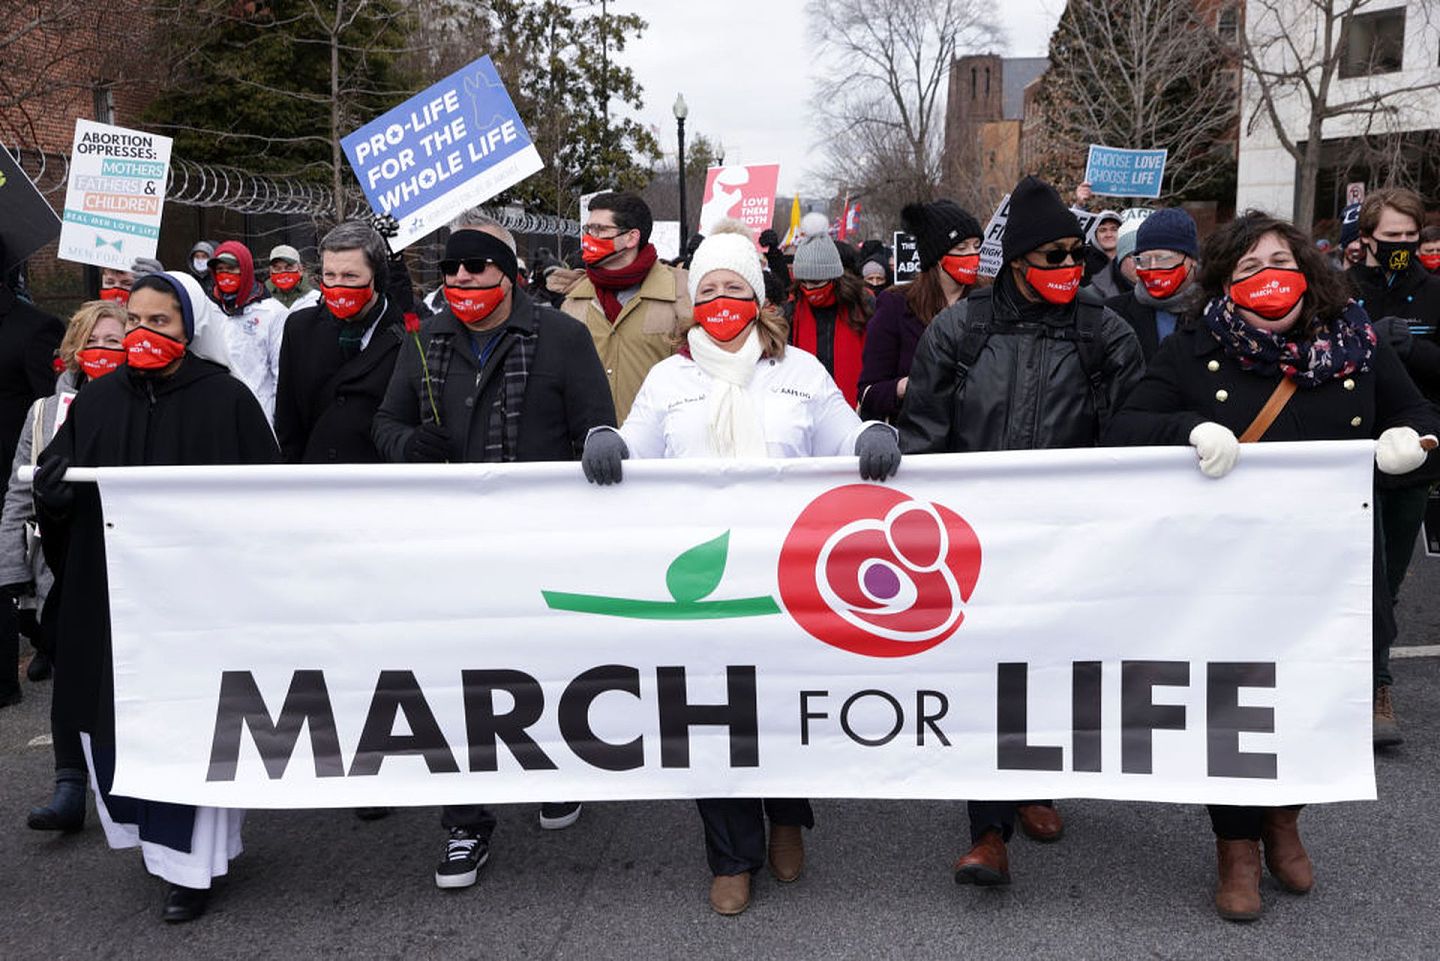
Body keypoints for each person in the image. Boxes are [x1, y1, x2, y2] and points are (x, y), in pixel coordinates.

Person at [1102, 210, 1440, 921]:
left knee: (1319, 697)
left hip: (1333, 565)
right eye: (1248, 267)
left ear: (1308, 269)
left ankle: (1285, 817)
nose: (1267, 277)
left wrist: (1409, 440)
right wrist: (1188, 430)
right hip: (1232, 568)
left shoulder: (1357, 342)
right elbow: (1125, 426)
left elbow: (1418, 412)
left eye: (1279, 260)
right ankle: (1236, 847)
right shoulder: (1195, 346)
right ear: (1224, 280)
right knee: (1234, 708)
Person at [579, 219, 901, 916]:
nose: (722, 299)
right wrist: (607, 440)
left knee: (780, 704)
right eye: (709, 289)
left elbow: (843, 432)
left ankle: (786, 815)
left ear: (758, 297)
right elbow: (633, 442)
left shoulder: (798, 371)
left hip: (785, 571)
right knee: (710, 715)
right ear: (693, 301)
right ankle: (731, 854)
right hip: (698, 578)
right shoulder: (670, 377)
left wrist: (873, 434)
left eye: (735, 287)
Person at [898, 176, 1144, 886]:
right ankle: (988, 829)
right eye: (1052, 256)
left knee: (1053, 668)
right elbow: (924, 439)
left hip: (1072, 541)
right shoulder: (962, 328)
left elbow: (1132, 442)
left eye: (1076, 252)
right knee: (989, 674)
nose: (1070, 265)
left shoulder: (1106, 333)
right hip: (977, 543)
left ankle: (1035, 781)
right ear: (1015, 264)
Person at [374, 219, 616, 889]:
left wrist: (600, 440)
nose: (461, 282)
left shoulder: (562, 337)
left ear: (507, 275)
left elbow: (596, 422)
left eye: (476, 269)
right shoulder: (425, 342)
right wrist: (406, 446)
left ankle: (554, 770)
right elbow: (385, 422)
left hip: (539, 540)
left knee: (541, 668)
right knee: (456, 680)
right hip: (448, 545)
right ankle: (465, 821)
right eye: (451, 272)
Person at [33, 271, 278, 922]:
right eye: (135, 320)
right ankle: (160, 851)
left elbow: (270, 501)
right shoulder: (101, 399)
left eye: (160, 321)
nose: (144, 333)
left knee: (192, 724)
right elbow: (62, 497)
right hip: (112, 599)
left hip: (198, 606)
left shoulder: (224, 399)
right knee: (122, 722)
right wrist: (53, 494)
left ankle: (191, 867)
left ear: (188, 328)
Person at [1, 301, 127, 822]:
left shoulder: (140, 404)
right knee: (72, 670)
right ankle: (69, 784)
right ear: (74, 348)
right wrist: (12, 574)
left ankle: (124, 778)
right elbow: (18, 493)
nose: (103, 352)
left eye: (115, 341)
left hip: (122, 557)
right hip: (62, 560)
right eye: (93, 342)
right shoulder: (42, 414)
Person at [1348, 188, 1440, 744]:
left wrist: (1413, 351)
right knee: (1355, 578)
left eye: (1411, 237)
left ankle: (1375, 681)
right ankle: (1357, 684)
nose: (1402, 247)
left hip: (1412, 462)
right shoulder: (1341, 291)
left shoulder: (1435, 293)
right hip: (1349, 455)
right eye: (1391, 239)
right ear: (1367, 241)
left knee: (1389, 581)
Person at [274, 221, 407, 465]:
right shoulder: (300, 328)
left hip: (381, 486)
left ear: (375, 277)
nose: (337, 285)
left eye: (350, 276)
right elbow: (287, 421)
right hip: (316, 482)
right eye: (330, 275)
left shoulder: (408, 336)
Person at [560, 191, 692, 422]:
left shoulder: (682, 291)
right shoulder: (573, 300)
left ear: (631, 238)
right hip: (591, 446)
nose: (589, 238)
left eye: (600, 230)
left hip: (659, 446)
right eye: (588, 229)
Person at [857, 200, 982, 423]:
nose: (973, 255)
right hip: (919, 444)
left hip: (977, 441)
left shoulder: (987, 300)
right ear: (936, 257)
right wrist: (906, 386)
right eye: (961, 248)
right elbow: (869, 393)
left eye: (976, 246)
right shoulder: (895, 305)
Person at [1105, 208, 1205, 361]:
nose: (1152, 267)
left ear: (1192, 260)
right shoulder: (1112, 313)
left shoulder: (1215, 311)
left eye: (1162, 258)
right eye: (1143, 260)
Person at [785, 234, 873, 406]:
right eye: (804, 282)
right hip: (806, 404)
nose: (809, 289)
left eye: (816, 282)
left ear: (833, 277)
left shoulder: (863, 305)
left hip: (854, 406)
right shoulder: (792, 309)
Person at [206, 242, 289, 424]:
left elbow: (281, 373)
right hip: (215, 414)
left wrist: (276, 420)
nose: (226, 275)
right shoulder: (208, 309)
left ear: (245, 269)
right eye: (220, 269)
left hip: (258, 415)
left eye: (232, 269)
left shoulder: (272, 312)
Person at [1086, 211, 1128, 299]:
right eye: (1102, 230)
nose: (1109, 235)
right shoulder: (1084, 263)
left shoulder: (1130, 261)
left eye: (1114, 229)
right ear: (1095, 235)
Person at [264, 244, 318, 310]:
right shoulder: (262, 300)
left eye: (289, 268)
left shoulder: (316, 299)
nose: (283, 273)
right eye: (277, 269)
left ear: (300, 269)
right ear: (270, 272)